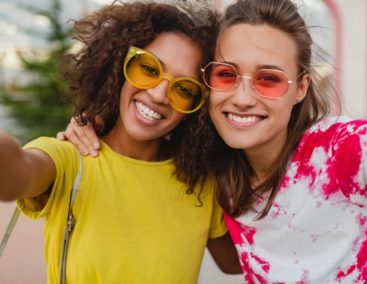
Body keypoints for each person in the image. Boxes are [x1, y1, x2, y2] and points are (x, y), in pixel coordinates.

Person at [59, 0, 367, 283]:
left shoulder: (342, 148)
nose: (242, 98)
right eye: (226, 74)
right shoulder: (213, 168)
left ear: (301, 87)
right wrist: (99, 121)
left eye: (268, 79)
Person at [0, 1, 241, 283]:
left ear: (199, 107)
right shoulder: (70, 158)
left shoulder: (199, 182)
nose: (160, 95)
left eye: (184, 88)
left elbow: (238, 263)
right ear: (119, 66)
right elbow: (14, 174)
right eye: (149, 69)